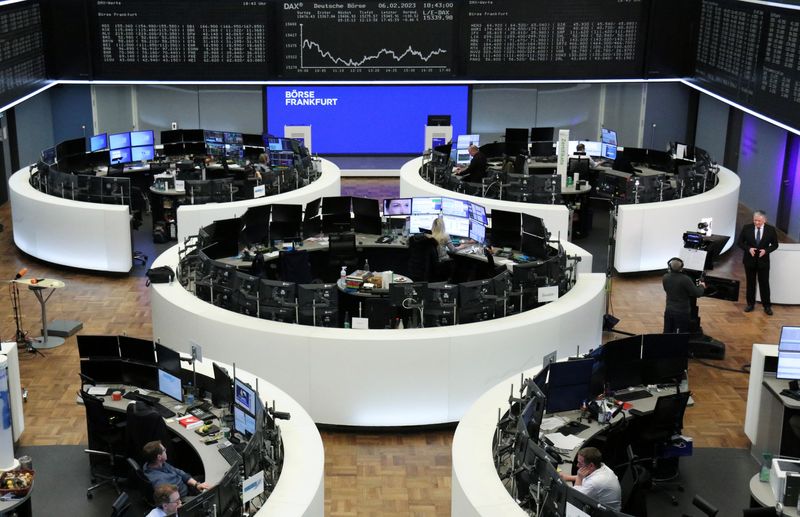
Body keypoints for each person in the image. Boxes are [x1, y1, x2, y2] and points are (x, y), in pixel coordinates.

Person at [737, 210, 779, 315]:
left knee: (764, 283)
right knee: (750, 283)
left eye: (759, 221)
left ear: (765, 220)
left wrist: (766, 251)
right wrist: (748, 249)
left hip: (763, 262)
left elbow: (775, 245)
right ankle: (750, 304)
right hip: (749, 261)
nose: (757, 223)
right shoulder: (747, 228)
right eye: (755, 220)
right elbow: (740, 242)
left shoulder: (771, 230)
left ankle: (767, 306)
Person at [142, 440, 210, 498]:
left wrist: (196, 484)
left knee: (205, 478)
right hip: (185, 496)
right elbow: (172, 499)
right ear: (159, 457)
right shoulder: (160, 482)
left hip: (187, 484)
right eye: (164, 450)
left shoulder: (155, 464)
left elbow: (178, 472)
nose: (166, 450)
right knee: (211, 486)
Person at [662, 257, 705, 333]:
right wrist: (702, 285)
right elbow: (697, 293)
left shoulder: (665, 277)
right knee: (679, 334)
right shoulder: (685, 279)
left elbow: (667, 289)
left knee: (667, 331)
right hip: (682, 313)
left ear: (669, 267)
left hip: (669, 310)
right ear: (681, 268)